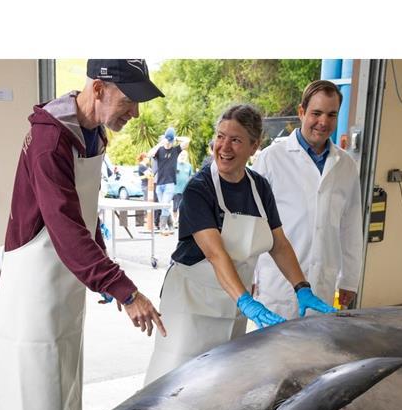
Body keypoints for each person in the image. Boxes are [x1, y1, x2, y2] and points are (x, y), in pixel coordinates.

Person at [0, 59, 167, 410]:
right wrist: (123, 289)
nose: (135, 112)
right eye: (129, 100)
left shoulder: (92, 134)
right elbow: (65, 228)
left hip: (63, 279)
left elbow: (84, 214)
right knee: (36, 398)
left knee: (63, 388)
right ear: (99, 89)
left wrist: (102, 265)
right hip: (35, 283)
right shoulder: (51, 140)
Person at [143, 104, 336, 385]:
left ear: (254, 146)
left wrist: (302, 288)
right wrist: (248, 302)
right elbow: (215, 253)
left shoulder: (259, 187)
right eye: (220, 137)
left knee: (219, 385)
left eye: (236, 140)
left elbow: (278, 243)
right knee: (174, 383)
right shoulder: (199, 189)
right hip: (192, 304)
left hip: (232, 306)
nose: (224, 147)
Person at [251, 80, 364, 318]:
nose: (323, 122)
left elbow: (351, 227)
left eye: (331, 114)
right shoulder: (271, 159)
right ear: (302, 112)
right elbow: (253, 222)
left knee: (318, 352)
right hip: (277, 285)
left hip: (323, 283)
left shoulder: (346, 166)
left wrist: (350, 279)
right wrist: (249, 276)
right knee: (274, 353)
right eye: (316, 113)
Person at [148, 127, 183, 231]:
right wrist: (160, 143)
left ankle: (162, 227)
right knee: (164, 206)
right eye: (168, 141)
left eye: (171, 141)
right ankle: (171, 224)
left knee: (165, 204)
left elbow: (187, 141)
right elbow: (149, 154)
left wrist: (176, 138)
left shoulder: (175, 150)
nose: (169, 143)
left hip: (170, 183)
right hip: (159, 183)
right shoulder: (160, 150)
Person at [173, 148, 194, 217]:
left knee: (184, 207)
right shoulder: (174, 164)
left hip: (185, 190)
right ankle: (174, 221)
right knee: (175, 207)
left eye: (184, 155)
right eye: (181, 154)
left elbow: (191, 177)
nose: (182, 156)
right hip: (176, 190)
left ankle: (180, 221)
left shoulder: (189, 166)